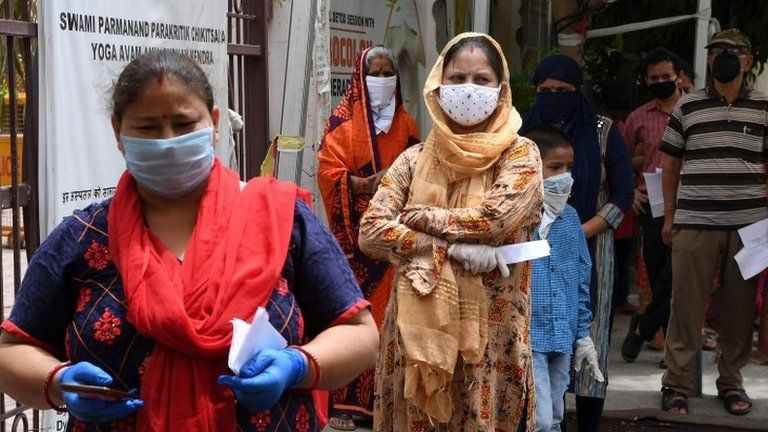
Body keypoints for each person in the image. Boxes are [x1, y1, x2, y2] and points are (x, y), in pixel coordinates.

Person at [0, 50, 379, 432]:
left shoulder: (280, 220)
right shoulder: (83, 238)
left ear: (213, 123)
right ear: (118, 133)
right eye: (148, 128)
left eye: (183, 124)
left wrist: (298, 366)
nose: (168, 140)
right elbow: (12, 351)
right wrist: (58, 383)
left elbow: (359, 332)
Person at [359, 32, 544, 431]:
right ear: (438, 86)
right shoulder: (415, 158)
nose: (468, 90)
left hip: (490, 342)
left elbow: (493, 219)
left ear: (501, 89)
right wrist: (449, 248)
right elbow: (371, 231)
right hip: (416, 340)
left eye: (481, 80)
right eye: (457, 78)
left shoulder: (521, 155)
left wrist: (420, 216)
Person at [520, 54, 634, 432]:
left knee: (587, 339)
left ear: (578, 91)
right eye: (545, 91)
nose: (553, 97)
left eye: (563, 91)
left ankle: (586, 423)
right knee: (533, 353)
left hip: (591, 243)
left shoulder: (602, 130)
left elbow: (623, 195)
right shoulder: (520, 131)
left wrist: (578, 232)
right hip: (529, 240)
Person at [659, 28, 766, 416]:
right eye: (717, 50)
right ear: (707, 59)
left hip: (750, 228)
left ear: (748, 60)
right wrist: (669, 217)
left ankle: (732, 384)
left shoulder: (764, 108)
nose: (724, 56)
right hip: (695, 222)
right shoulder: (687, 107)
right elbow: (669, 163)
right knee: (685, 307)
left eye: (733, 51)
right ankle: (676, 385)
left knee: (739, 312)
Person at [317, 45, 419, 431]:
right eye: (374, 73)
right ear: (360, 78)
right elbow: (328, 174)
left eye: (388, 72)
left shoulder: (407, 125)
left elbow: (420, 169)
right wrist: (362, 184)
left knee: (391, 320)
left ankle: (385, 401)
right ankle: (347, 405)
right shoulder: (341, 126)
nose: (382, 79)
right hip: (354, 245)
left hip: (394, 243)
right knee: (354, 319)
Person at [524, 125, 603, 432]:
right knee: (541, 419)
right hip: (531, 335)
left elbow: (582, 278)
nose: (564, 175)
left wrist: (582, 333)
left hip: (563, 334)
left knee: (555, 413)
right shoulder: (518, 217)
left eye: (569, 167)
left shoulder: (570, 218)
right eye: (555, 167)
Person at [621, 48, 684, 365]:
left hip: (693, 204)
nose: (661, 82)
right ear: (646, 81)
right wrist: (631, 193)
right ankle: (657, 335)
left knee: (678, 277)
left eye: (666, 77)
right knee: (661, 273)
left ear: (679, 77)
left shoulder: (695, 110)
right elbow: (620, 161)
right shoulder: (639, 117)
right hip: (653, 204)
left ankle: (644, 329)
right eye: (654, 78)